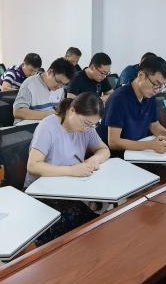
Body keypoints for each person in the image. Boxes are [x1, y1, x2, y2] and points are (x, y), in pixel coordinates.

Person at [25, 93, 110, 245]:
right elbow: (33, 165)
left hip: (71, 187)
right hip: (43, 190)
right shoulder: (47, 127)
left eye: (93, 125)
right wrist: (71, 170)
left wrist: (93, 160)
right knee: (76, 222)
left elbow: (104, 150)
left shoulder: (87, 127)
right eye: (85, 123)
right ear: (72, 110)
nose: (87, 128)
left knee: (96, 218)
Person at [99, 55, 166, 154]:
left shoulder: (149, 95)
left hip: (138, 151)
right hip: (117, 156)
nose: (157, 90)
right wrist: (150, 145)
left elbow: (154, 125)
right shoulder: (118, 99)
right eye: (155, 84)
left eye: (161, 86)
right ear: (141, 75)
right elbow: (113, 142)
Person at [12, 57, 74, 124]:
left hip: (48, 125)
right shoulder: (30, 84)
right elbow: (18, 112)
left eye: (64, 84)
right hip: (27, 127)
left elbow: (58, 110)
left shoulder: (60, 88)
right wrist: (47, 115)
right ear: (50, 72)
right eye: (58, 81)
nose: (60, 86)